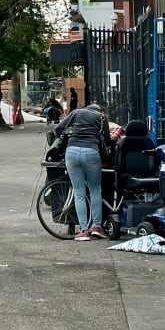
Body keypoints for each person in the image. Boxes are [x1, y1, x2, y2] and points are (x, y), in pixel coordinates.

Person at [54, 103, 113, 241]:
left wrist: (65, 140)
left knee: (79, 192)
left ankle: (83, 231)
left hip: (71, 152)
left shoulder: (77, 113)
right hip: (91, 153)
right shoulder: (102, 117)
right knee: (95, 190)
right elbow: (107, 140)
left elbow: (58, 128)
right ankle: (97, 227)